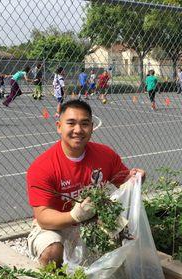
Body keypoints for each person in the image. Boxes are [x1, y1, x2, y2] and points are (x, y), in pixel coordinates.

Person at [25, 99, 146, 266]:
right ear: (59, 126)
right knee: (51, 252)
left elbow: (123, 181)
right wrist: (74, 215)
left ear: (92, 127)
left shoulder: (105, 155)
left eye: (84, 124)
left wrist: (136, 178)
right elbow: (43, 217)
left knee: (128, 242)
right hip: (57, 223)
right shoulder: (42, 167)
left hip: (95, 218)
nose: (78, 130)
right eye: (71, 123)